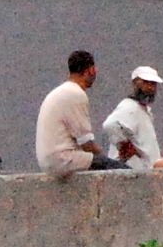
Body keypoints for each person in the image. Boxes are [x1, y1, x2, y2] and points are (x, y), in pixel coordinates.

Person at [36, 49, 120, 178]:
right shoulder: (75, 94)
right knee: (122, 171)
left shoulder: (60, 92)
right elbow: (86, 142)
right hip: (63, 159)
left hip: (48, 161)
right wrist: (107, 159)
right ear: (91, 70)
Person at [100, 65, 163, 169]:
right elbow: (110, 125)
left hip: (143, 172)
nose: (150, 87)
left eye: (153, 84)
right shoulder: (129, 106)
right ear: (135, 83)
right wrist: (125, 145)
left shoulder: (143, 110)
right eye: (146, 83)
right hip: (130, 170)